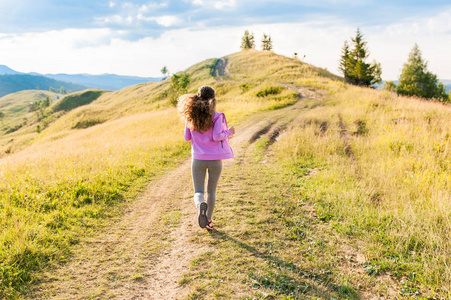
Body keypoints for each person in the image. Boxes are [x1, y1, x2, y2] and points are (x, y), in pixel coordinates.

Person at [177, 85, 235, 230]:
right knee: (211, 191)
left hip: (198, 159)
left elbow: (186, 137)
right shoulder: (217, 116)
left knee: (198, 191)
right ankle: (208, 221)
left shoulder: (191, 116)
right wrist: (229, 132)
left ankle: (199, 208)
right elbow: (217, 136)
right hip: (215, 160)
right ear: (213, 99)